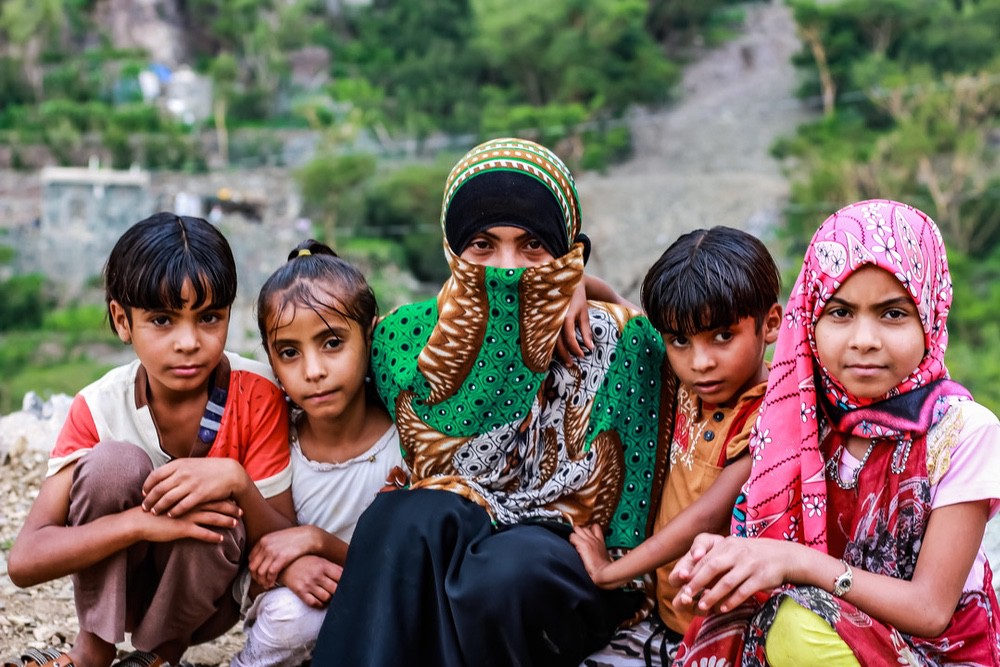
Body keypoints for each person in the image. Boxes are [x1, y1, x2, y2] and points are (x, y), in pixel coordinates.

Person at [311, 137, 671, 666]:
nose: (509, 267)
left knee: (502, 573)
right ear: (452, 248)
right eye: (482, 245)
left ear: (567, 250)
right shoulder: (404, 339)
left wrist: (584, 285)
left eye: (533, 246)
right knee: (399, 517)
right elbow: (311, 385)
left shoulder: (619, 340)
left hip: (569, 564)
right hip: (450, 540)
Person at [668, 199, 1000, 665]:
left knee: (798, 628)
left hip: (934, 652)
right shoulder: (792, 419)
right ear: (811, 319)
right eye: (840, 313)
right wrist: (726, 558)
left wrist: (795, 561)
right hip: (813, 622)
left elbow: (930, 610)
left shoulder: (964, 432)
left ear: (931, 315)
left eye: (893, 314)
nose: (864, 339)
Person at [6, 213, 295, 667]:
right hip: (124, 587)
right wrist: (140, 523)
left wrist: (236, 481)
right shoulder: (100, 407)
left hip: (209, 602)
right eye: (162, 320)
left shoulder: (257, 393)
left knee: (212, 503)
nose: (188, 342)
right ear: (123, 321)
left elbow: (285, 539)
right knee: (111, 465)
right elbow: (24, 561)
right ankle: (92, 652)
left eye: (209, 318)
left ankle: (158, 656)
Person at [571, 227, 782, 666]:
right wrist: (576, 282)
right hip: (665, 617)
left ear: (771, 324)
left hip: (725, 635)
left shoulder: (768, 414)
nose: (700, 362)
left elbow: (708, 515)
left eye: (723, 336)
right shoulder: (685, 379)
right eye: (680, 341)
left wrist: (609, 573)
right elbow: (620, 306)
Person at [230, 240, 404, 667]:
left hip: (392, 603)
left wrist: (318, 541)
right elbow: (256, 571)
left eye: (332, 343)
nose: (313, 371)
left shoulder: (408, 440)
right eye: (289, 352)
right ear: (271, 360)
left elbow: (411, 568)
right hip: (303, 608)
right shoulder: (274, 442)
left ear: (370, 334)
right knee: (293, 617)